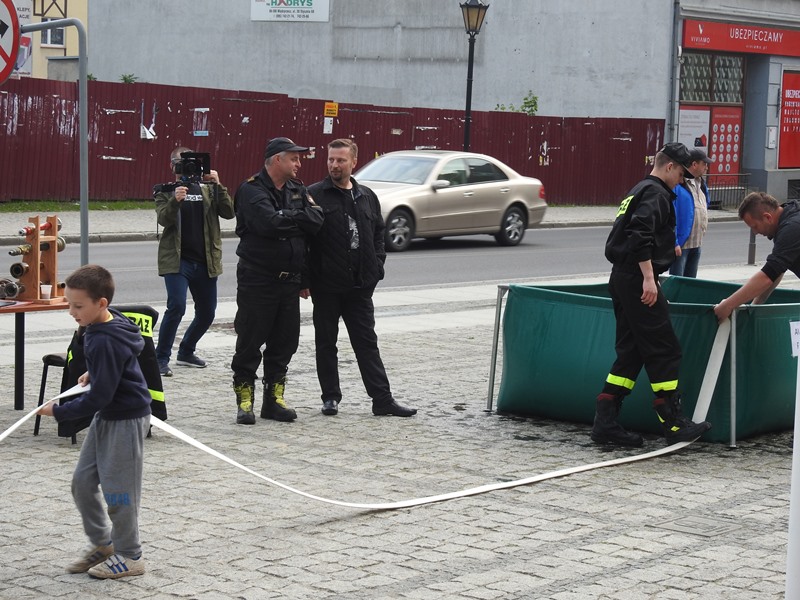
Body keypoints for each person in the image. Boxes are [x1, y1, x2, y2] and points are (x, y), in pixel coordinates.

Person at [591, 142, 712, 447]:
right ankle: (673, 422)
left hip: (622, 277)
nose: (682, 181)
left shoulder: (639, 189)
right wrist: (649, 278)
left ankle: (605, 423)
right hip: (638, 279)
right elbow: (639, 234)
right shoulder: (656, 193)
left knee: (631, 351)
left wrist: (665, 250)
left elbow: (637, 232)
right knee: (665, 348)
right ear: (669, 166)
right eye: (681, 174)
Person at [37, 265, 151, 579]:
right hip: (108, 416)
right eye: (69, 304)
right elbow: (115, 367)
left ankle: (130, 555)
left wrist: (58, 411)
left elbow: (99, 397)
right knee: (82, 483)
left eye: (78, 306)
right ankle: (104, 544)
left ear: (101, 303)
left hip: (126, 420)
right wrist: (98, 372)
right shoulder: (105, 322)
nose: (71, 312)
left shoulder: (104, 339)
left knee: (119, 493)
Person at [307, 139, 417, 417]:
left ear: (353, 162)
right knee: (326, 343)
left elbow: (378, 232)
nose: (334, 165)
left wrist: (377, 266)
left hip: (360, 286)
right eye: (331, 159)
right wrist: (305, 280)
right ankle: (330, 397)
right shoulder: (314, 195)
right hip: (326, 285)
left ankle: (382, 399)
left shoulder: (366, 195)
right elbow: (304, 239)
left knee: (367, 343)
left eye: (340, 160)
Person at [231, 137, 324, 424]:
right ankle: (245, 402)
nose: (299, 164)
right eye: (294, 158)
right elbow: (269, 224)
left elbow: (316, 221)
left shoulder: (297, 188)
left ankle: (273, 401)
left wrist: (287, 218)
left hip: (289, 281)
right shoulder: (251, 189)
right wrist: (298, 219)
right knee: (250, 341)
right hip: (258, 279)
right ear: (277, 160)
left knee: (285, 342)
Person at [153, 146, 235, 377]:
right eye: (182, 163)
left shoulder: (209, 189)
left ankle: (186, 351)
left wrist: (218, 184)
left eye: (192, 163)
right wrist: (175, 200)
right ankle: (160, 358)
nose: (188, 168)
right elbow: (163, 219)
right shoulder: (165, 190)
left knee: (207, 313)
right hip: (177, 260)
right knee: (177, 307)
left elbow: (229, 212)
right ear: (173, 166)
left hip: (206, 260)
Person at [714, 192, 800, 321]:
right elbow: (777, 270)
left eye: (754, 226)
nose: (755, 232)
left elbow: (767, 276)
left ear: (767, 217)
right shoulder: (788, 217)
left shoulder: (792, 228)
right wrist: (755, 306)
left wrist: (728, 305)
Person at [670, 148, 713, 278]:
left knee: (691, 281)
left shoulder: (701, 183)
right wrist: (675, 242)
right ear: (694, 164)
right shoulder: (679, 184)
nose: (707, 168)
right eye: (704, 164)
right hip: (682, 244)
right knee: (678, 280)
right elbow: (672, 216)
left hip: (697, 242)